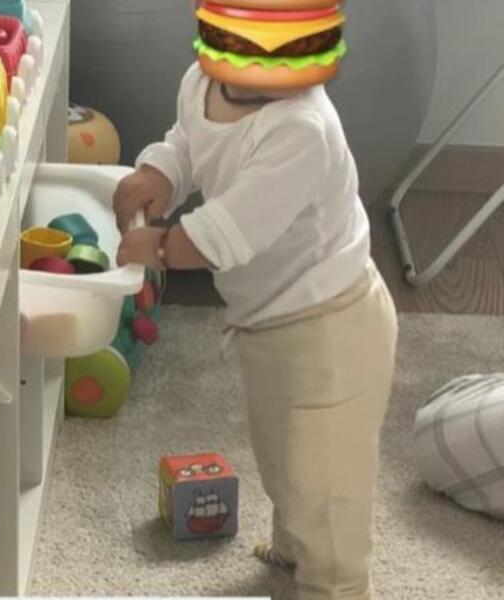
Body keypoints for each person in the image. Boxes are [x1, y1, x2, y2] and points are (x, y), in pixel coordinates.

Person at [113, 2, 398, 597]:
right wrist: (161, 173)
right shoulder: (201, 83)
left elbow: (230, 230)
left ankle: (337, 583)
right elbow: (188, 144)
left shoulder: (302, 128)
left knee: (327, 476)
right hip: (265, 321)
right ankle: (295, 546)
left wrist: (161, 246)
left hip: (332, 325)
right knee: (281, 452)